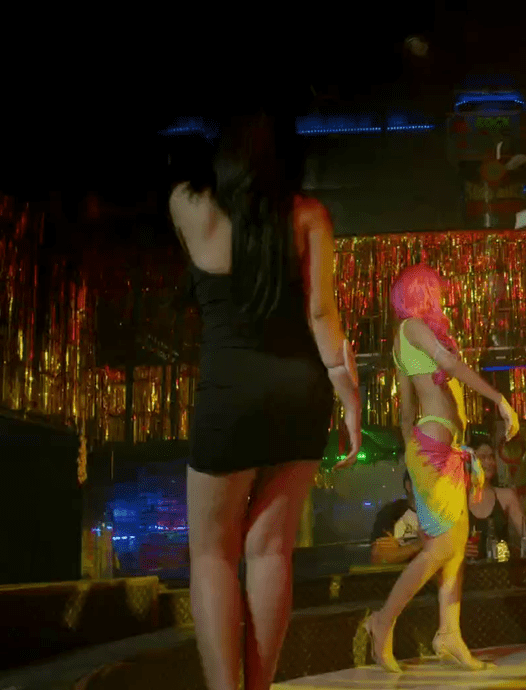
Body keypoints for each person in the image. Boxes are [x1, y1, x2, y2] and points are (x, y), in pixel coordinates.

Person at [170, 114, 362, 690]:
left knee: (212, 553)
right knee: (272, 550)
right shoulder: (308, 216)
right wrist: (351, 401)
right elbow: (322, 316)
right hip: (299, 392)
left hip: (230, 393)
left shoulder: (190, 206)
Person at [359, 263, 520, 674]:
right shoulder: (412, 327)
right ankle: (382, 621)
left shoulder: (408, 339)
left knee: (456, 544)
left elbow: (406, 407)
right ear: (424, 293)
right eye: (438, 291)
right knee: (442, 547)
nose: (443, 297)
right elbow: (448, 367)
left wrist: (416, 446)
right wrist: (498, 399)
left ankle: (449, 632)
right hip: (433, 449)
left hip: (441, 449)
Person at [369, 472, 423, 566]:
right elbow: (379, 557)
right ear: (409, 486)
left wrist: (400, 551)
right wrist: (421, 544)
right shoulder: (392, 512)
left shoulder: (445, 515)